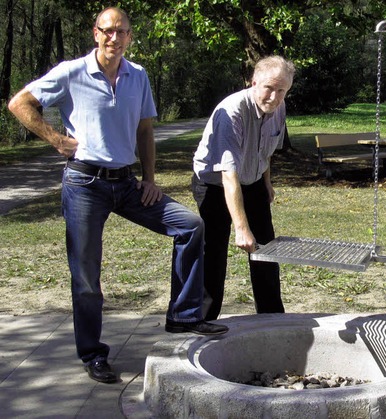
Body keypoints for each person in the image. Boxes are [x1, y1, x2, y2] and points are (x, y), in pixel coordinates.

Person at [8, 6, 228, 385]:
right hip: (84, 185)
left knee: (190, 225)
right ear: (95, 33)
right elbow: (19, 103)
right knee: (87, 275)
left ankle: (184, 316)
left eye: (121, 31)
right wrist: (57, 140)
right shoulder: (71, 72)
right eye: (107, 30)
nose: (114, 37)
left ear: (129, 36)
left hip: (127, 184)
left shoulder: (137, 75)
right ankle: (92, 354)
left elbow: (145, 130)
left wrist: (149, 178)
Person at [192, 56, 295, 320]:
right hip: (215, 183)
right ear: (254, 82)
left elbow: (266, 150)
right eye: (269, 88)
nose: (274, 97)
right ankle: (204, 320)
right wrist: (241, 227)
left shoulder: (279, 108)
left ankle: (272, 318)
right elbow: (228, 174)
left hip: (253, 180)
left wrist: (266, 182)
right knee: (213, 253)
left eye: (281, 90)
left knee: (266, 251)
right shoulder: (233, 111)